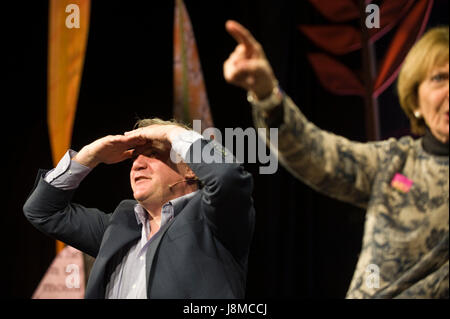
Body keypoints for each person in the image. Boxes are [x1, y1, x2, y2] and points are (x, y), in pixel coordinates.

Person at [224, 20, 449, 298]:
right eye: (440, 78)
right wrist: (267, 93)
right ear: (415, 102)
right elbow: (315, 153)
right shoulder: (395, 161)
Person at [23, 118, 255, 299]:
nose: (137, 165)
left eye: (153, 154)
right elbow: (41, 211)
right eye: (134, 158)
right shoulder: (118, 225)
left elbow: (228, 178)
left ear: (189, 169)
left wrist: (172, 134)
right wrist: (88, 156)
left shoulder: (215, 217)